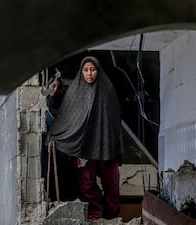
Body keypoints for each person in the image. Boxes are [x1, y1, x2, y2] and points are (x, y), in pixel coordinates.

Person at [47, 56, 123, 220]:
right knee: (86, 185)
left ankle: (114, 219)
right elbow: (65, 117)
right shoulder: (75, 91)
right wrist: (56, 133)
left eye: (93, 70)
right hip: (84, 147)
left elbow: (114, 122)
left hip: (106, 146)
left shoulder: (107, 90)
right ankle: (93, 219)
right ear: (81, 72)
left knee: (112, 186)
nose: (89, 74)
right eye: (86, 70)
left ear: (98, 71)